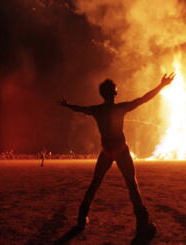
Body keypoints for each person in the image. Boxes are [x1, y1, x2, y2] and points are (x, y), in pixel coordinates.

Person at [58, 73, 175, 243]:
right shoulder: (121, 107)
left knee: (95, 184)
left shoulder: (97, 110)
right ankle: (143, 224)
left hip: (107, 151)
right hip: (121, 150)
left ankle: (82, 218)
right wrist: (161, 85)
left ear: (102, 94)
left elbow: (80, 108)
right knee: (132, 186)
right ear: (115, 93)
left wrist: (67, 105)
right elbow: (144, 99)